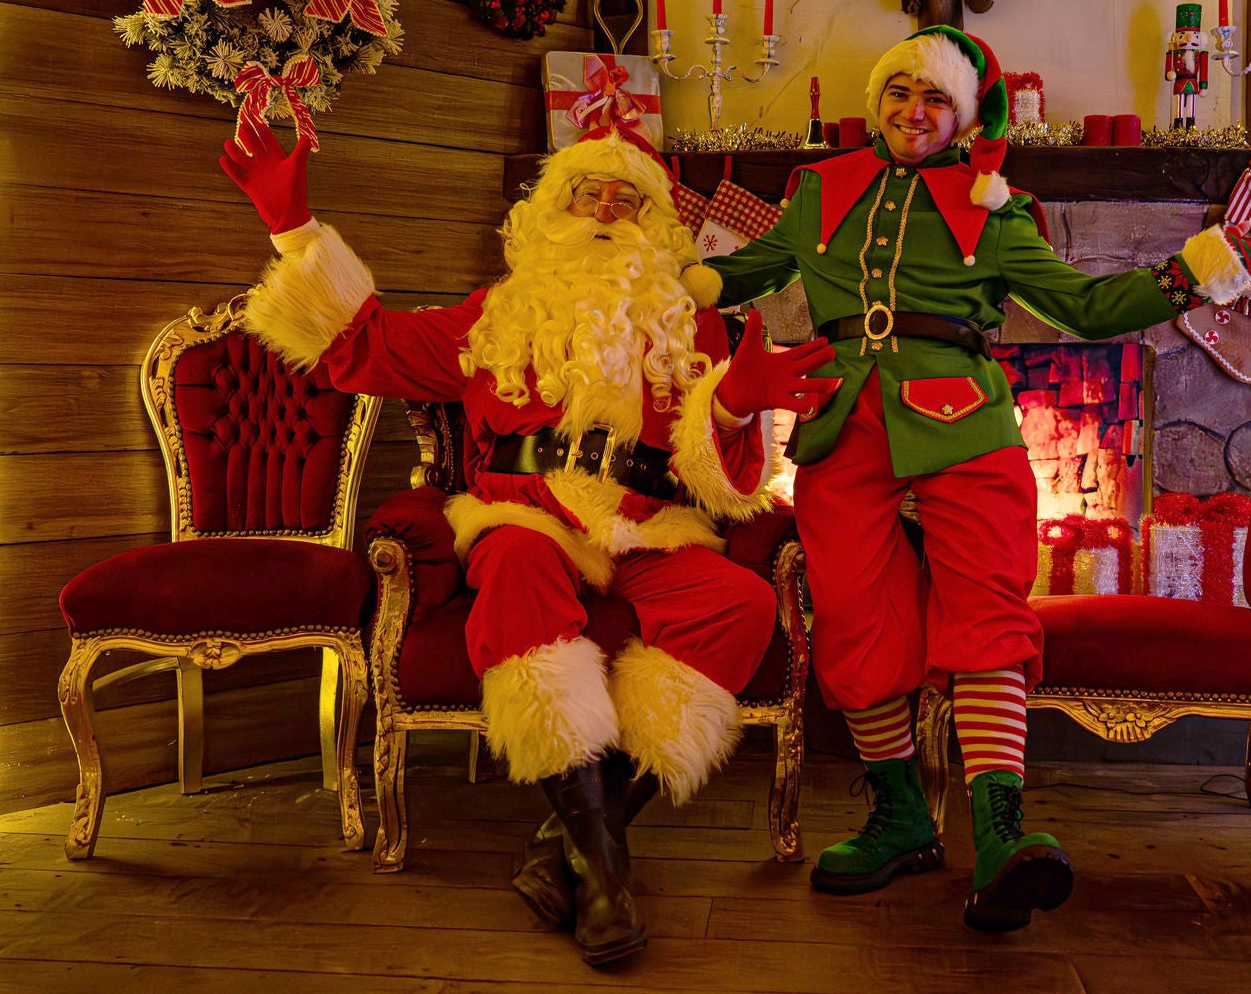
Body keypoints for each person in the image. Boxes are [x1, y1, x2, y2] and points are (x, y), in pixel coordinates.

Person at [704, 25, 1251, 931]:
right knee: (858, 624)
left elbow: (1088, 307)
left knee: (986, 612)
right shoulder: (819, 189)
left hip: (964, 418)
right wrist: (643, 270)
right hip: (841, 421)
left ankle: (1002, 838)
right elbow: (735, 274)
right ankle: (902, 818)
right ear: (878, 101)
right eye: (900, 92)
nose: (914, 112)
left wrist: (1195, 272)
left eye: (935, 99)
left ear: (964, 115)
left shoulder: (995, 207)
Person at [222, 120, 837, 966]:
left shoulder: (700, 331)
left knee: (742, 601)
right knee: (510, 563)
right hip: (530, 517)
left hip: (651, 526)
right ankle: (608, 885)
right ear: (552, 211)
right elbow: (364, 347)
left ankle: (573, 850)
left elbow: (722, 474)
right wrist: (294, 227)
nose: (608, 208)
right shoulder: (495, 316)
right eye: (589, 193)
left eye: (630, 199)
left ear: (659, 227)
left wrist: (733, 408)